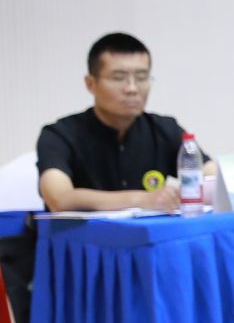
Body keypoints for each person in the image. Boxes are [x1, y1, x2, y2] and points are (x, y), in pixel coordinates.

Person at [37, 33, 212, 214]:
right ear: (90, 84)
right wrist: (142, 199)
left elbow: (213, 177)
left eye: (141, 78)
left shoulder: (164, 129)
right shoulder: (60, 135)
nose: (132, 89)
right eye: (118, 78)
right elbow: (59, 198)